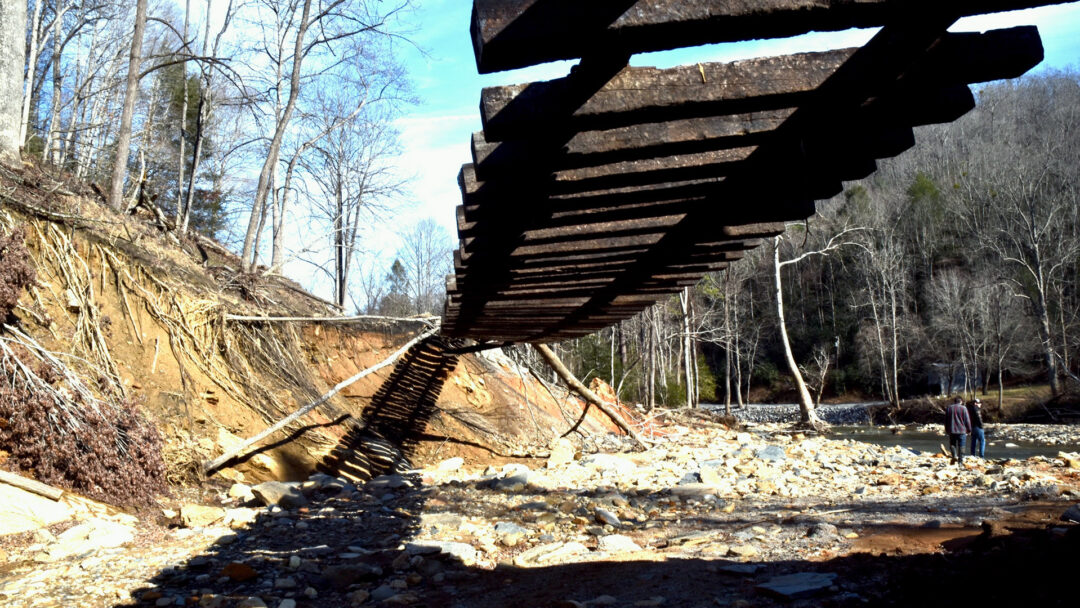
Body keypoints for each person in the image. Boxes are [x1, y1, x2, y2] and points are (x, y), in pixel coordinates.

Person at [944, 396, 972, 464]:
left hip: (952, 430)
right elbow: (967, 420)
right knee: (961, 445)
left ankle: (954, 456)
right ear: (961, 401)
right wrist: (969, 429)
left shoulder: (949, 408)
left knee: (952, 444)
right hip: (962, 430)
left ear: (955, 401)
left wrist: (947, 429)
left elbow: (946, 420)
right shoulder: (964, 408)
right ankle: (960, 461)